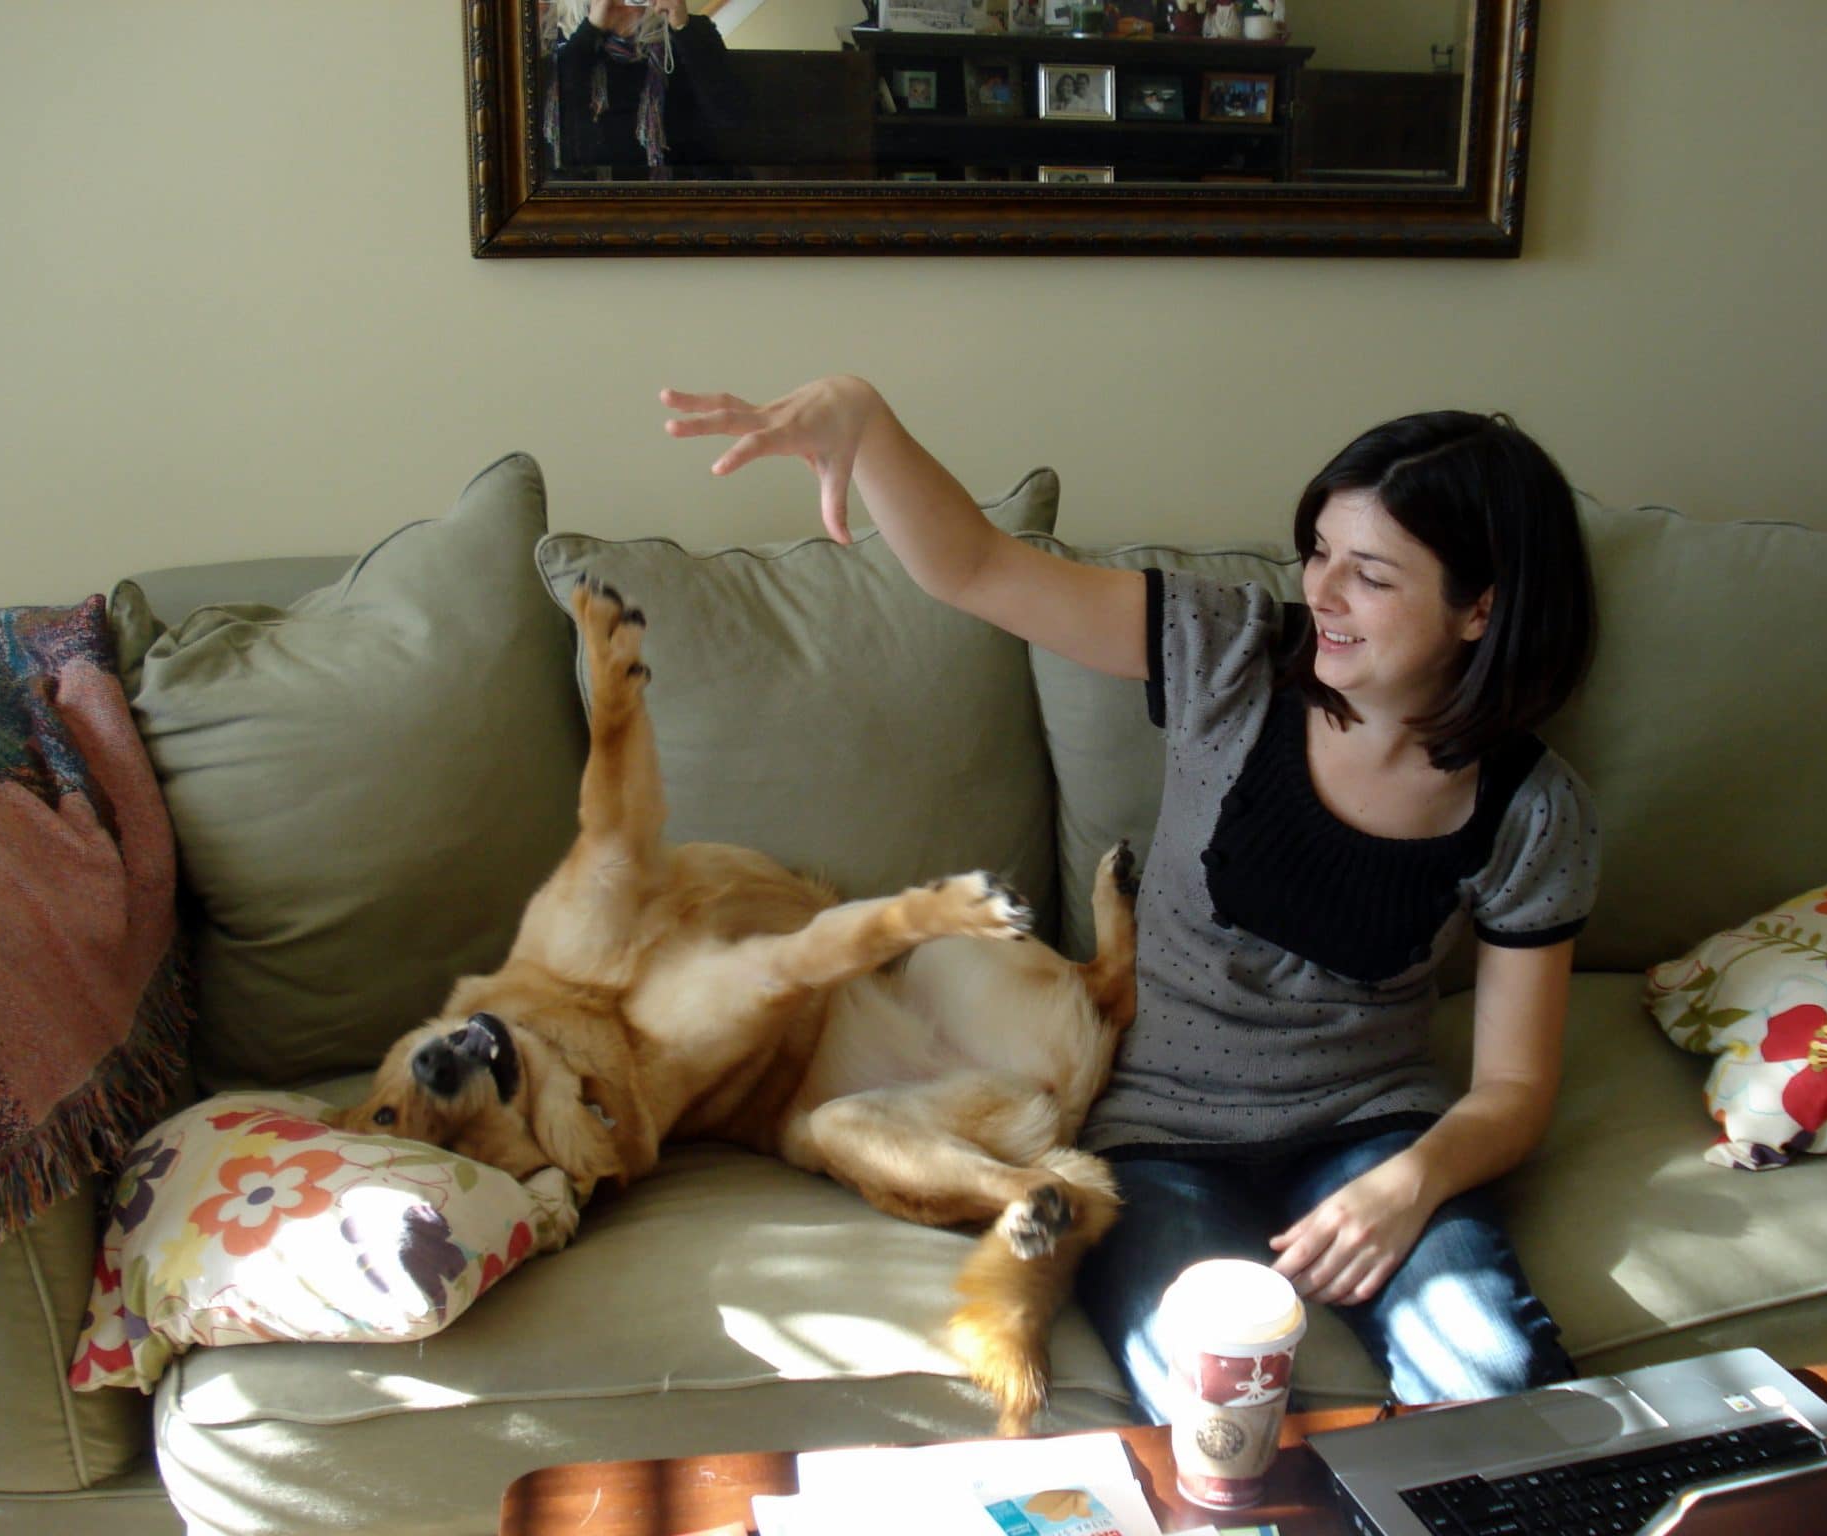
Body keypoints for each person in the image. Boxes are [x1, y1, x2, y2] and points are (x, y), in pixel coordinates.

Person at [660, 377, 1599, 1421]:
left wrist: (1408, 1182)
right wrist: (867, 428)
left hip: (1365, 1128)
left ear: (1481, 609)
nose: (1321, 593)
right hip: (1155, 1139)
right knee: (1217, 1415)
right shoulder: (1233, 652)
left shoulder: (1531, 809)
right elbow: (977, 566)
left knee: (1503, 1387)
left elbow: (1511, 1089)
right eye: (1318, 552)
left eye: (1369, 576)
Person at [544, 0, 745, 179]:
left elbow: (730, 118)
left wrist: (683, 28)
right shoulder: (567, 43)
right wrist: (591, 30)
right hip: (594, 199)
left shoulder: (691, 31)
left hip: (681, 194)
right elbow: (554, 125)